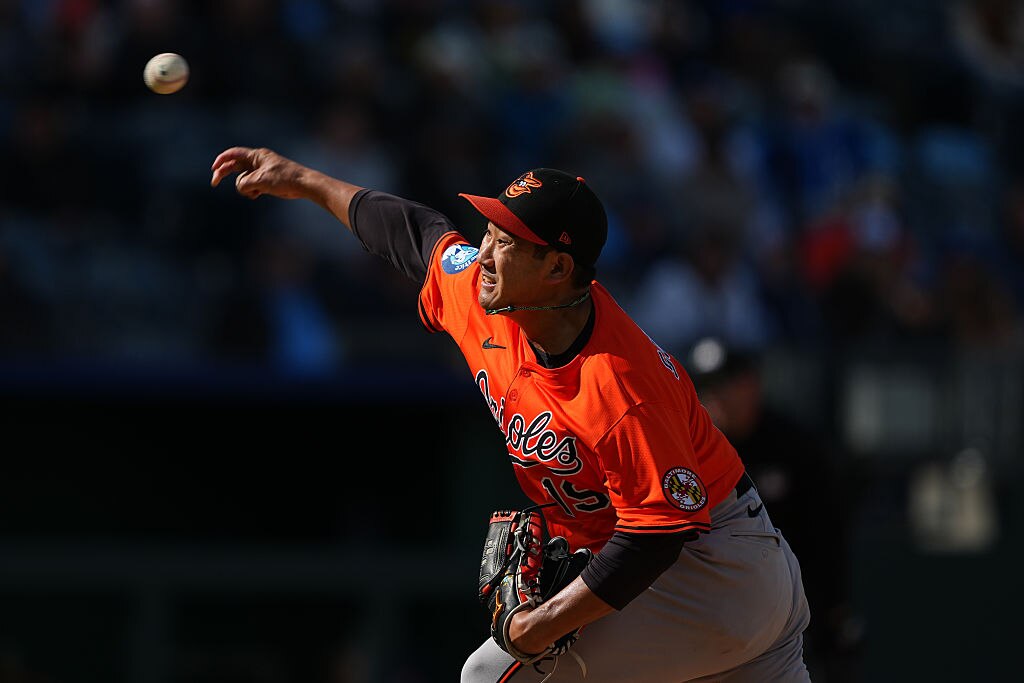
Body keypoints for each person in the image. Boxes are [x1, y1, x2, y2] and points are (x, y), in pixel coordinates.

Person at [210, 147, 813, 682]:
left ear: (557, 269)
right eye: (492, 231)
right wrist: (303, 179)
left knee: (492, 673)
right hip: (724, 576)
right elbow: (417, 234)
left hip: (710, 570)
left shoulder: (618, 383)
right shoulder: (485, 294)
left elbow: (657, 537)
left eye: (507, 241)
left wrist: (541, 624)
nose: (487, 252)